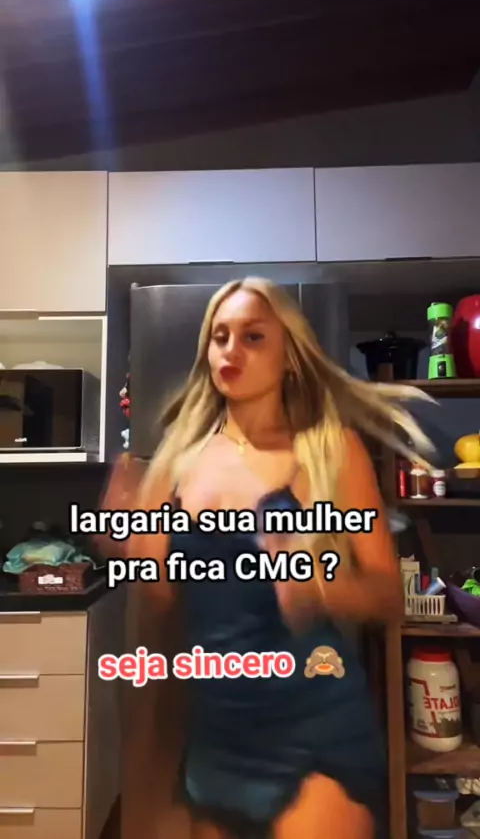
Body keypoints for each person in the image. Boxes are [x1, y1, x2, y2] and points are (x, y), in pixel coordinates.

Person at [102, 277, 433, 839]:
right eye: (220, 336)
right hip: (216, 744)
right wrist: (132, 549)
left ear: (289, 357)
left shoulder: (330, 449)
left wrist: (314, 587)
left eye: (253, 337)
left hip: (315, 739)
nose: (231, 350)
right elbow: (162, 615)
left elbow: (386, 594)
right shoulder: (177, 462)